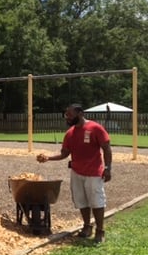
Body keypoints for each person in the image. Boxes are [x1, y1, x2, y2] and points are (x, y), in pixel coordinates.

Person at [36, 104, 112, 244]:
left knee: (96, 201)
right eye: (66, 114)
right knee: (81, 200)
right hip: (77, 172)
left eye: (70, 114)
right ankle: (87, 226)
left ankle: (100, 230)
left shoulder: (95, 128)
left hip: (94, 172)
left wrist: (107, 168)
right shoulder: (70, 133)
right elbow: (64, 153)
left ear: (80, 113)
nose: (67, 117)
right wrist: (48, 157)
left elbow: (106, 148)